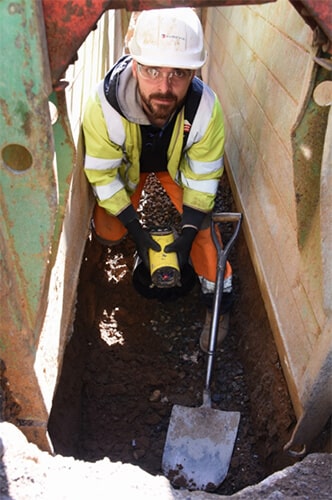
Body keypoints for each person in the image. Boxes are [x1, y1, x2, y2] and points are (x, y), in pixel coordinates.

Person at [82, 7, 233, 352]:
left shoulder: (206, 111)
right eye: (152, 71)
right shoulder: (103, 106)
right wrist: (135, 229)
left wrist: (190, 230)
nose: (164, 87)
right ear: (134, 64)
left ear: (194, 71)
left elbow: (204, 177)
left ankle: (217, 304)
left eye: (178, 73)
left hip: (172, 166)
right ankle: (102, 268)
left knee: (207, 232)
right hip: (128, 168)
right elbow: (103, 175)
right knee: (108, 227)